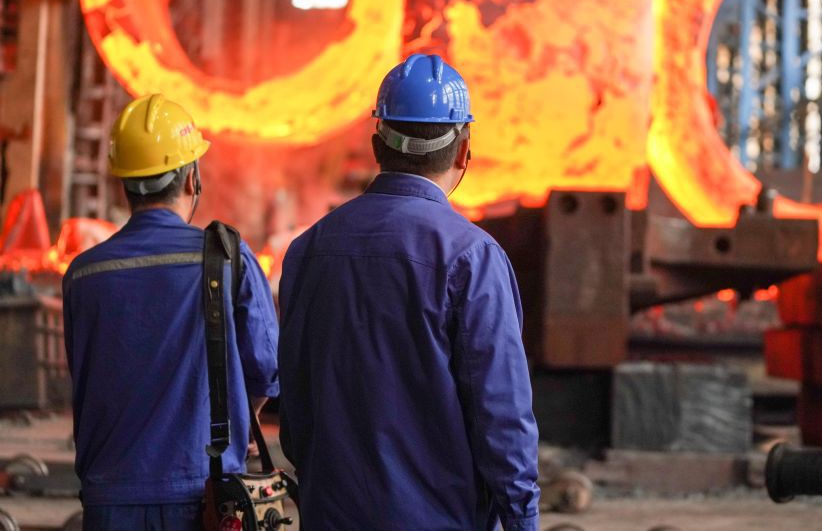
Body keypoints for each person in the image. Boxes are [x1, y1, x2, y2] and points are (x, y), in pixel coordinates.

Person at [279, 53, 540, 530]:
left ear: (378, 143)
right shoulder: (472, 257)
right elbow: (501, 417)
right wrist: (522, 519)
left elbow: (294, 406)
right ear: (464, 151)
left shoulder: (307, 250)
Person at [63, 94, 279, 530]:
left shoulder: (83, 275)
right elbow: (265, 368)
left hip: (110, 499)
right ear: (191, 179)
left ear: (121, 184)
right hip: (203, 498)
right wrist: (242, 415)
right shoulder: (226, 257)